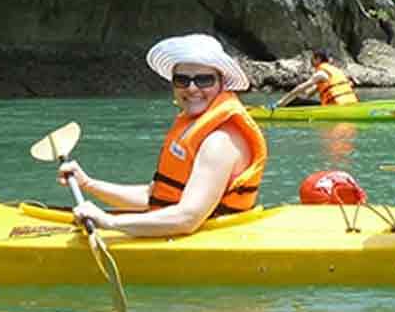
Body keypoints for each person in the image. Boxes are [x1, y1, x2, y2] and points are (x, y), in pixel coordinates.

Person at [58, 33, 269, 237]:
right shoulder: (194, 126)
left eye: (204, 80)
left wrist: (110, 222)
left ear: (221, 83)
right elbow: (154, 196)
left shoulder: (219, 142)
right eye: (182, 80)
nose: (192, 88)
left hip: (209, 244)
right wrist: (88, 184)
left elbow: (188, 218)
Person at [275, 49, 358, 107]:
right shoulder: (336, 71)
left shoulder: (320, 74)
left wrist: (282, 101)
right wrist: (302, 97)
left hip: (336, 106)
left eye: (313, 58)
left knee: (293, 101)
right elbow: (309, 94)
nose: (311, 60)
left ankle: (277, 110)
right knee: (297, 100)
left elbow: (299, 88)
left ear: (318, 59)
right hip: (351, 103)